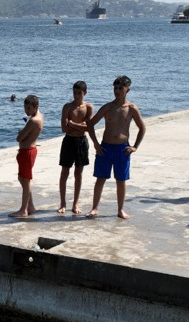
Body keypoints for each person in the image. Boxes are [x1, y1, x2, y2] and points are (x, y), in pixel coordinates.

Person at [85, 75, 146, 220]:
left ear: (127, 90)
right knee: (100, 178)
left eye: (120, 88)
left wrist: (135, 146)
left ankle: (120, 209)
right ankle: (94, 208)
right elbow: (90, 124)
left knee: (121, 180)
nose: (117, 91)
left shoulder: (131, 109)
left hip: (122, 149)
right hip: (105, 148)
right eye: (115, 88)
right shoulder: (107, 107)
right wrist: (96, 144)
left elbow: (142, 128)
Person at [58, 80, 94, 215]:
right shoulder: (67, 107)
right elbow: (63, 128)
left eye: (79, 93)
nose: (77, 96)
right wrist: (78, 125)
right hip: (69, 141)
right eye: (75, 93)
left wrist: (72, 123)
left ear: (85, 93)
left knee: (78, 173)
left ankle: (75, 203)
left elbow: (88, 127)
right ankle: (63, 203)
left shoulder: (88, 107)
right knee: (64, 172)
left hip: (82, 141)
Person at [8, 94, 43, 218]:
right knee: (22, 178)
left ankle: (23, 210)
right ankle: (30, 205)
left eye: (28, 108)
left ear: (35, 107)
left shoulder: (33, 120)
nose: (26, 111)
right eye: (25, 108)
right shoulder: (38, 116)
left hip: (27, 151)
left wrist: (21, 133)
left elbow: (19, 138)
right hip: (28, 150)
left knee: (26, 180)